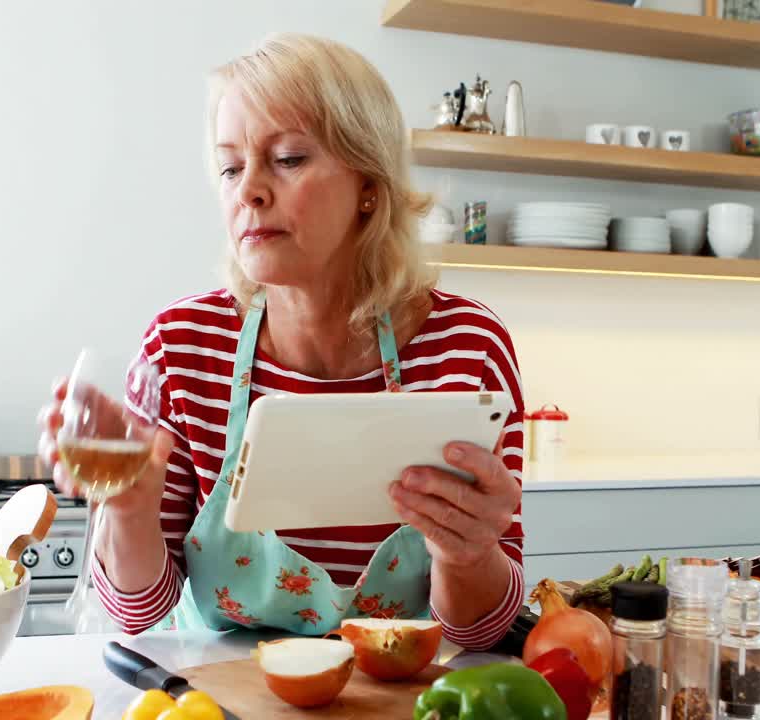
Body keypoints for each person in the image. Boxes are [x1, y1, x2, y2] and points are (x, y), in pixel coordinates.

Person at [37, 33, 525, 651]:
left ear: (368, 185)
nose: (248, 191)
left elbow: (478, 633)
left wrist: (468, 554)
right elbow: (141, 611)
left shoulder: (466, 349)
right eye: (231, 167)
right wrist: (129, 511)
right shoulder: (183, 349)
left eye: (288, 158)